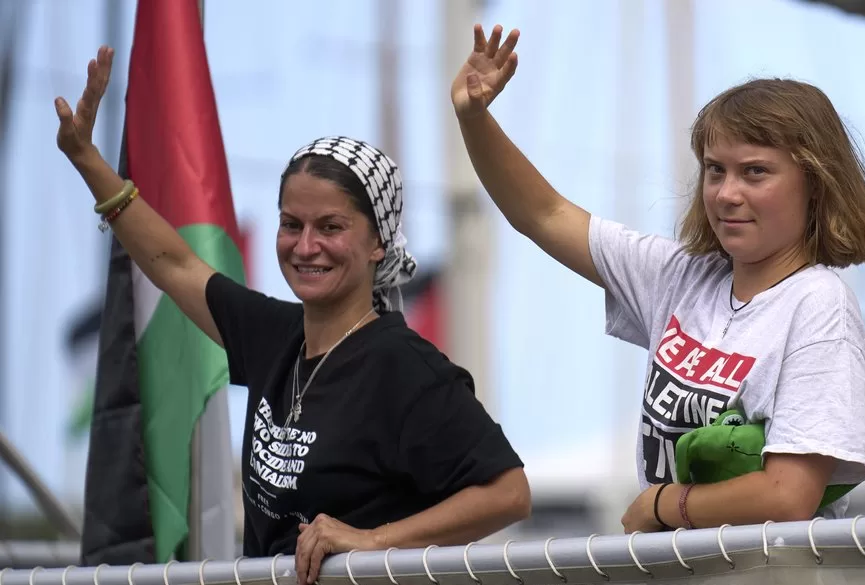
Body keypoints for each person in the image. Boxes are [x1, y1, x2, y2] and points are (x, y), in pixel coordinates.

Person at [55, 46, 531, 580]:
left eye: (330, 227)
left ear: (378, 242)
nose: (305, 247)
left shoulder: (404, 368)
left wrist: (371, 542)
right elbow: (174, 263)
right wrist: (87, 160)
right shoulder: (273, 336)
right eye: (290, 224)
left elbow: (508, 492)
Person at [449, 25, 865, 531]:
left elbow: (788, 495)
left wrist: (660, 506)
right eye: (714, 170)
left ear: (815, 184)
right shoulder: (681, 276)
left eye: (754, 172)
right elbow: (543, 214)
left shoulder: (819, 304)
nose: (726, 193)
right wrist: (474, 117)